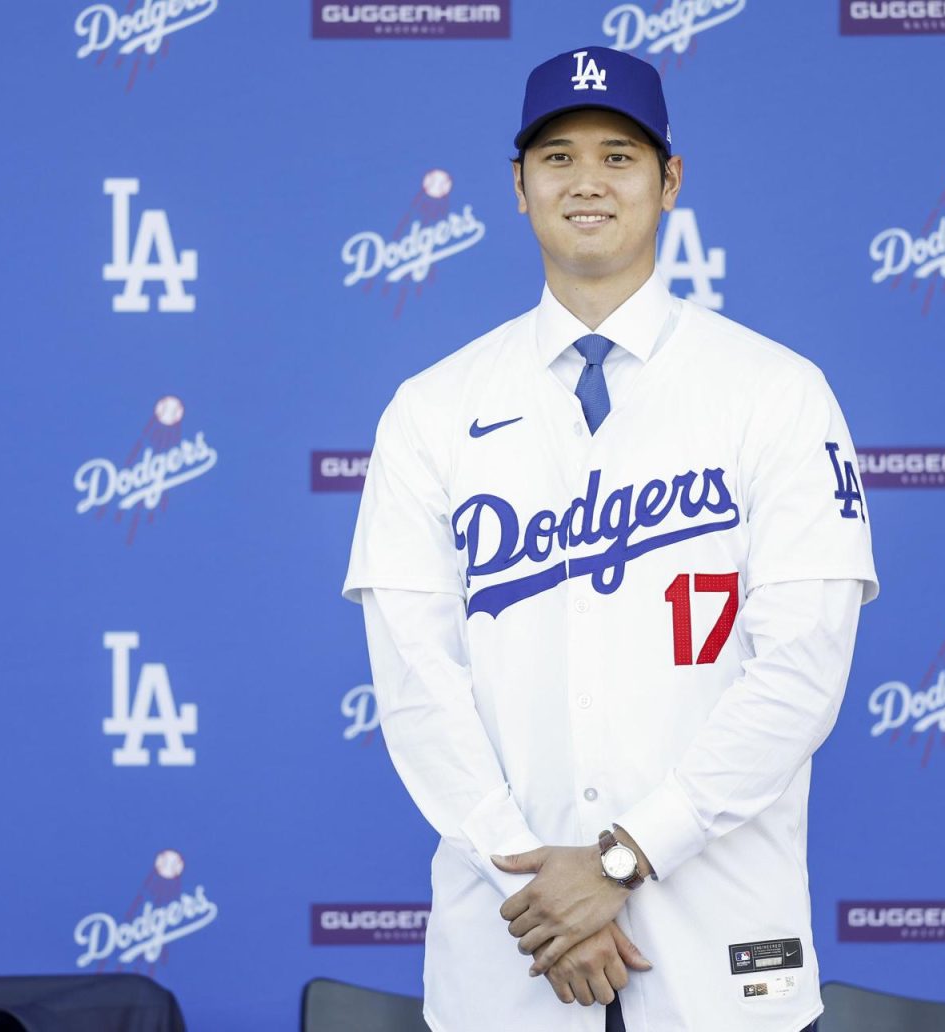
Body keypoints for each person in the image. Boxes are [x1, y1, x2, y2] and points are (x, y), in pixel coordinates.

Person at [343, 44, 877, 1032]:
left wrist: (625, 856)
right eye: (557, 156)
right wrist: (549, 889)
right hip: (515, 955)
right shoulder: (432, 409)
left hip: (725, 958)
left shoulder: (777, 392)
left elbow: (800, 669)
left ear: (670, 181)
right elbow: (418, 686)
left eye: (620, 155)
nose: (587, 179)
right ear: (518, 186)